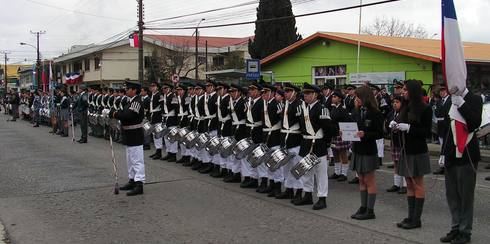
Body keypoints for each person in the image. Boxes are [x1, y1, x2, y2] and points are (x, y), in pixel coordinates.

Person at [440, 87, 482, 244]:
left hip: (467, 153)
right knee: (452, 195)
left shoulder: (475, 99)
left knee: (465, 196)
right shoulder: (450, 100)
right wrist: (443, 153)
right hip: (451, 153)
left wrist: (462, 104)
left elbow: (474, 123)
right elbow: (446, 129)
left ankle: (465, 231)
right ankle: (455, 227)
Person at [393, 80, 432, 229]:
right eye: (403, 89)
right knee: (408, 183)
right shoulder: (405, 107)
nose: (403, 92)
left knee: (417, 183)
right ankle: (410, 216)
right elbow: (400, 126)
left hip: (418, 150)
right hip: (406, 149)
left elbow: (426, 132)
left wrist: (409, 128)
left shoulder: (425, 108)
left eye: (405, 89)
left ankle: (417, 219)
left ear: (413, 91)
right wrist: (395, 126)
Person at [295, 83, 335, 210]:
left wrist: (327, 145)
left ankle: (322, 198)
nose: (305, 96)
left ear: (315, 95)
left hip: (318, 144)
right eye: (305, 94)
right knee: (307, 171)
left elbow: (329, 130)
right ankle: (307, 195)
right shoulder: (304, 108)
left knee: (320, 173)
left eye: (308, 94)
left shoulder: (322, 109)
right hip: (306, 144)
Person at [350, 85, 384, 220]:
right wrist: (346, 132)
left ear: (364, 97)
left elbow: (380, 133)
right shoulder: (356, 111)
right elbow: (352, 127)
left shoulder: (375, 112)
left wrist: (366, 134)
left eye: (358, 96)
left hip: (369, 149)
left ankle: (370, 210)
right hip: (358, 149)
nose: (356, 99)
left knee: (369, 180)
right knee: (361, 179)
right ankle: (363, 206)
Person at [112, 81, 146, 196]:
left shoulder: (137, 102)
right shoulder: (129, 101)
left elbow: (128, 116)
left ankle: (139, 183)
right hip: (129, 134)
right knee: (130, 159)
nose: (126, 91)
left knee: (137, 160)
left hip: (135, 134)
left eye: (128, 89)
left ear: (134, 90)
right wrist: (116, 113)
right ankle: (132, 180)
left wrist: (114, 114)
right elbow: (124, 112)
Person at [276, 83, 303, 201]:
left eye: (288, 91)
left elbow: (302, 125)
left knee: (297, 167)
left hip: (296, 140)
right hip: (285, 140)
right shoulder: (285, 105)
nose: (285, 94)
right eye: (285, 92)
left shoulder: (299, 105)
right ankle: (289, 189)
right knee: (286, 167)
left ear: (294, 93)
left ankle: (299, 191)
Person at [257, 84, 283, 197]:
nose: (263, 95)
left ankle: (277, 187)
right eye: (262, 93)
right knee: (268, 162)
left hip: (275, 136)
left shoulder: (276, 105)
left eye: (265, 93)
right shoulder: (265, 105)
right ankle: (271, 184)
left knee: (276, 163)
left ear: (272, 93)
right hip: (266, 135)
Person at [240, 82, 263, 188]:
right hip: (249, 131)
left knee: (258, 157)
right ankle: (252, 178)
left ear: (259, 91)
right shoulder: (248, 102)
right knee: (249, 157)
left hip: (258, 132)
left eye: (253, 90)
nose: (251, 92)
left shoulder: (262, 102)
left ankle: (259, 180)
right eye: (250, 90)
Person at [223, 84, 247, 183]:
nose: (232, 94)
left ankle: (244, 176)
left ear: (239, 92)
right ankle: (235, 173)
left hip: (242, 130)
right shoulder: (231, 102)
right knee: (234, 153)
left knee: (241, 154)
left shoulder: (243, 102)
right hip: (234, 129)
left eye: (233, 92)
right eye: (231, 92)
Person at [385, 95, 407, 194]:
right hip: (394, 141)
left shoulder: (404, 114)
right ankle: (396, 184)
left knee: (404, 163)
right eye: (394, 102)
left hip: (402, 141)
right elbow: (387, 125)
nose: (395, 104)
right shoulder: (391, 114)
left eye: (397, 102)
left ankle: (405, 185)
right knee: (396, 163)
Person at [329, 89, 352, 182]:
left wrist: (343, 130)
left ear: (339, 99)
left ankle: (344, 174)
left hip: (340, 134)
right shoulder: (333, 108)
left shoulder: (343, 109)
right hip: (334, 134)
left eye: (335, 97)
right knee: (335, 153)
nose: (333, 98)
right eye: (332, 96)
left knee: (343, 153)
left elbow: (347, 121)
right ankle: (337, 172)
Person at [211, 82, 232, 177]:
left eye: (220, 89)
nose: (218, 91)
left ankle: (227, 170)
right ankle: (222, 168)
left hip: (227, 126)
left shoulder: (229, 99)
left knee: (227, 149)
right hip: (220, 125)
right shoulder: (219, 98)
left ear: (226, 89)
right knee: (221, 149)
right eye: (218, 89)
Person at [434, 85, 452, 175]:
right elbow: (437, 113)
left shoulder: (450, 100)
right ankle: (443, 165)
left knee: (446, 146)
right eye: (440, 91)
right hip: (441, 127)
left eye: (443, 90)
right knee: (443, 146)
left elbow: (447, 112)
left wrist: (442, 112)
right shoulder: (439, 101)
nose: (441, 92)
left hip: (448, 127)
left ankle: (445, 165)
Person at [161, 82, 179, 162]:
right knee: (166, 137)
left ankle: (173, 154)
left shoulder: (173, 96)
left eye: (165, 88)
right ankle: (168, 152)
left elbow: (176, 108)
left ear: (169, 89)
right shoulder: (163, 96)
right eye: (163, 88)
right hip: (165, 118)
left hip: (172, 119)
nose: (164, 90)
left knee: (172, 137)